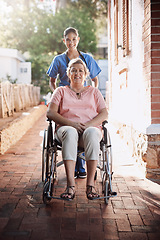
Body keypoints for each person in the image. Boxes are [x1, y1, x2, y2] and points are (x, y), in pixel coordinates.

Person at [47, 58, 108, 200]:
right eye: (73, 70)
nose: (77, 73)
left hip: (89, 130)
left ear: (86, 74)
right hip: (66, 131)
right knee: (70, 132)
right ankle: (70, 185)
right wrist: (71, 124)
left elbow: (104, 113)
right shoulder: (60, 91)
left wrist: (89, 125)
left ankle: (90, 185)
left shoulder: (94, 92)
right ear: (68, 74)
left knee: (93, 132)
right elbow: (51, 113)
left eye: (81, 70)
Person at [47, 27, 101, 179]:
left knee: (84, 123)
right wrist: (57, 95)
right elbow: (52, 81)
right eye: (68, 39)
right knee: (70, 126)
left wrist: (90, 95)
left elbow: (95, 80)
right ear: (64, 41)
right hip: (65, 100)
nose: (71, 42)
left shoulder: (87, 59)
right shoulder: (58, 60)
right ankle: (76, 169)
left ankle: (82, 166)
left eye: (74, 39)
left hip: (83, 97)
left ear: (78, 39)